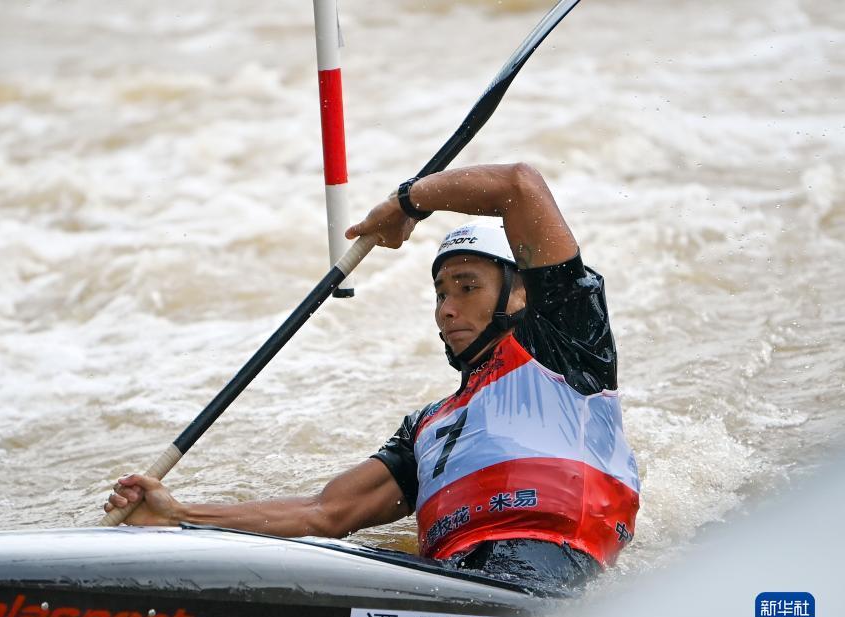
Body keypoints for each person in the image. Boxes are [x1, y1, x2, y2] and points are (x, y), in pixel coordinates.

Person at [105, 163, 640, 594]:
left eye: (467, 286)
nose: (447, 310)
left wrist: (409, 203)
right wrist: (179, 515)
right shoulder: (428, 426)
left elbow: (519, 186)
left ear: (519, 294)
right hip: (449, 583)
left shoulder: (568, 349)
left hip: (544, 575)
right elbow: (325, 513)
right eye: (440, 293)